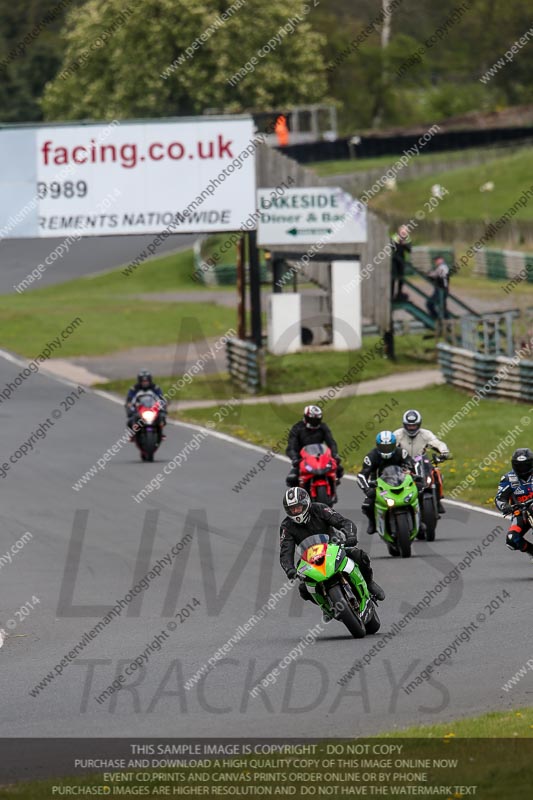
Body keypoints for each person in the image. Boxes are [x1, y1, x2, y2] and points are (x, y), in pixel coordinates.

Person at [280, 487, 385, 619]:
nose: (295, 511)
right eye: (291, 509)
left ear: (306, 503)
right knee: (303, 589)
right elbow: (285, 551)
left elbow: (343, 522)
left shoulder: (320, 509)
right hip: (310, 560)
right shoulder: (286, 526)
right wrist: (289, 569)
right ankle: (326, 604)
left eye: (298, 507)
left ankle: (369, 583)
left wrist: (350, 535)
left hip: (333, 547)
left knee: (359, 555)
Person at [394, 409, 449, 515]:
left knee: (436, 474)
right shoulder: (397, 434)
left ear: (419, 424)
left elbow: (437, 443)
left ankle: (437, 500)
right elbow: (390, 447)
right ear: (404, 425)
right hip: (403, 464)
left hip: (421, 461)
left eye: (414, 426)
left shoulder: (426, 434)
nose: (411, 428)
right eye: (409, 426)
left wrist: (444, 452)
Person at [359, 431, 415, 535]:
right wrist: (367, 489)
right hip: (379, 485)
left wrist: (416, 477)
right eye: (383, 447)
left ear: (394, 445)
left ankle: (421, 521)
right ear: (377, 446)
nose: (386, 449)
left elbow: (412, 465)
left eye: (389, 447)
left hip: (400, 482)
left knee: (418, 493)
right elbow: (362, 475)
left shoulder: (401, 453)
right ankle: (373, 523)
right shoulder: (371, 456)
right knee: (367, 505)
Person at [286, 405, 344, 487]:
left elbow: (331, 442)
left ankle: (332, 484)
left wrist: (335, 455)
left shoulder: (323, 427)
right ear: (306, 417)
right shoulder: (297, 428)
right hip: (301, 459)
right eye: (312, 419)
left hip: (320, 456)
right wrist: (294, 458)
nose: (315, 422)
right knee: (292, 479)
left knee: (339, 469)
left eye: (317, 420)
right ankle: (298, 495)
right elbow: (291, 446)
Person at [495, 448, 533, 557]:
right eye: (519, 465)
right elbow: (499, 498)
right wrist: (505, 506)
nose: (522, 469)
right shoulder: (508, 478)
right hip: (520, 514)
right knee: (512, 539)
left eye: (526, 465)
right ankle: (531, 551)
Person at [125, 370, 167, 440]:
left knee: (162, 417)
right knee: (131, 420)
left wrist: (163, 404)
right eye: (143, 381)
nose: (145, 383)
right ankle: (133, 433)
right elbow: (129, 398)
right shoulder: (134, 388)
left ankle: (160, 433)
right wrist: (129, 404)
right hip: (139, 408)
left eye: (146, 381)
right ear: (140, 381)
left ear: (150, 381)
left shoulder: (155, 388)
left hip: (152, 408)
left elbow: (161, 397)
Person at [391, 225, 412, 300]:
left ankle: (399, 293)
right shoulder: (394, 237)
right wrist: (399, 243)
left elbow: (410, 250)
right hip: (394, 260)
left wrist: (404, 244)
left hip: (402, 260)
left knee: (401, 278)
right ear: (399, 231)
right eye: (403, 231)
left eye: (405, 231)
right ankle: (391, 295)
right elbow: (391, 247)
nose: (404, 233)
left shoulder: (407, 239)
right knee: (393, 278)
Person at [427, 255, 450, 320]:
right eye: (435, 260)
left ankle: (436, 319)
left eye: (437, 260)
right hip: (441, 289)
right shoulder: (441, 267)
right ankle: (446, 322)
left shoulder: (442, 267)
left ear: (441, 259)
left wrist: (429, 274)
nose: (436, 262)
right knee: (442, 307)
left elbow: (435, 275)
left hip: (441, 290)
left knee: (430, 304)